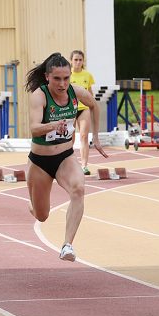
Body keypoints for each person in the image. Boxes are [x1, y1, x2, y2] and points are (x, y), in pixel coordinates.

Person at [25, 52, 108, 261]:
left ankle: (67, 245)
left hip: (64, 156)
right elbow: (34, 129)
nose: (62, 84)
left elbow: (93, 105)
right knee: (42, 215)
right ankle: (34, 207)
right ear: (47, 77)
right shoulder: (39, 96)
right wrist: (52, 125)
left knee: (78, 189)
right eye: (57, 79)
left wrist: (95, 137)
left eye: (66, 78)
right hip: (40, 162)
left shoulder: (76, 92)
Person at [69, 50, 96, 175]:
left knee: (84, 136)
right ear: (71, 61)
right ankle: (69, 164)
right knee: (70, 138)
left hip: (83, 108)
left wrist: (93, 106)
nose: (78, 62)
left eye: (80, 60)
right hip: (70, 108)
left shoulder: (87, 75)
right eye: (75, 59)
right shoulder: (67, 75)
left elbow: (90, 93)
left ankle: (84, 165)